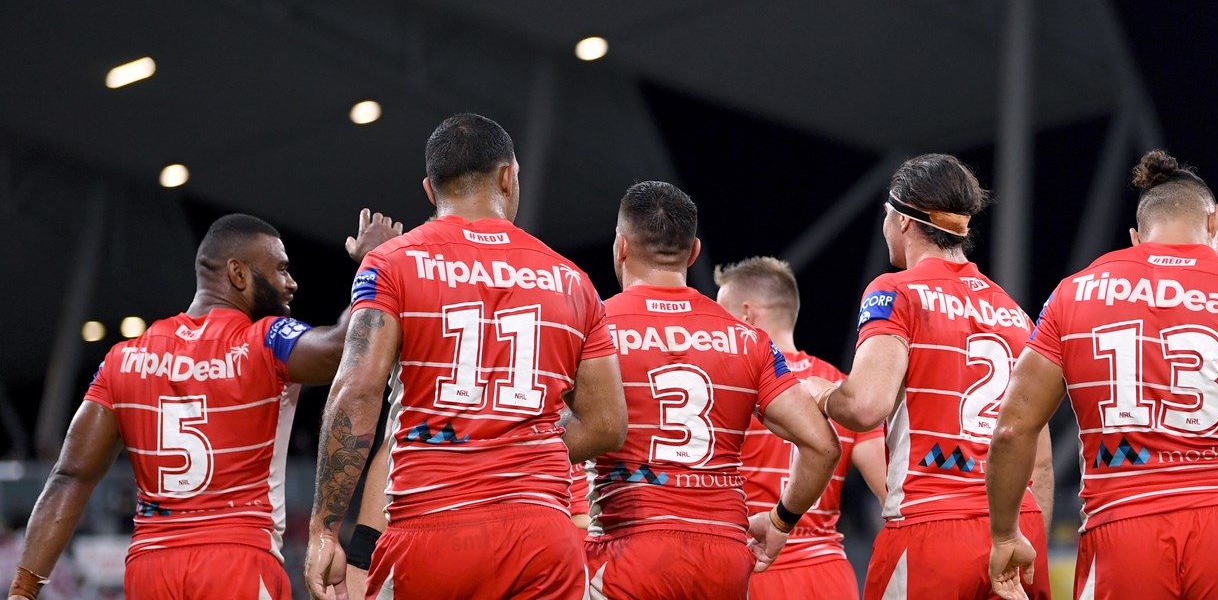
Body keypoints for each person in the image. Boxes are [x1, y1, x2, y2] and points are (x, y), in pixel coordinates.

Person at [303, 113, 628, 600]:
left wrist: (324, 531)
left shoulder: (392, 263)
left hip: (432, 528)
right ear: (509, 177)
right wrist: (513, 447)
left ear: (430, 190)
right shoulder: (572, 280)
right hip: (541, 535)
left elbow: (357, 391)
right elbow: (607, 423)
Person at [7, 211, 400, 600]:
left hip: (150, 569)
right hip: (235, 562)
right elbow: (343, 348)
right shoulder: (265, 342)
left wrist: (23, 590)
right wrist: (376, 264)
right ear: (238, 274)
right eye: (281, 269)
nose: (291, 283)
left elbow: (70, 477)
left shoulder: (124, 359)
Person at [984, 150, 1218, 600]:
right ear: (1214, 220)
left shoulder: (1073, 293)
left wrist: (1004, 535)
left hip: (1120, 524)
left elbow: (1012, 429)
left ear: (1137, 237)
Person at [813, 153, 1054, 600]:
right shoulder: (1016, 314)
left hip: (932, 526)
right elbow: (1038, 458)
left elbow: (865, 406)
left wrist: (820, 393)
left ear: (904, 220)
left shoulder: (895, 290)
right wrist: (1027, 536)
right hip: (1019, 528)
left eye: (886, 214)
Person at [583, 182, 841, 599]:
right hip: (723, 561)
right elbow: (822, 446)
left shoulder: (595, 325)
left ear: (621, 246)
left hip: (630, 551)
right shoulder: (748, 339)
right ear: (694, 252)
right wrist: (781, 521)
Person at [716, 256, 889, 599]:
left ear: (747, 315)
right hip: (828, 575)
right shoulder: (841, 390)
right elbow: (891, 491)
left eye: (724, 317)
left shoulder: (730, 386)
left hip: (755, 566)